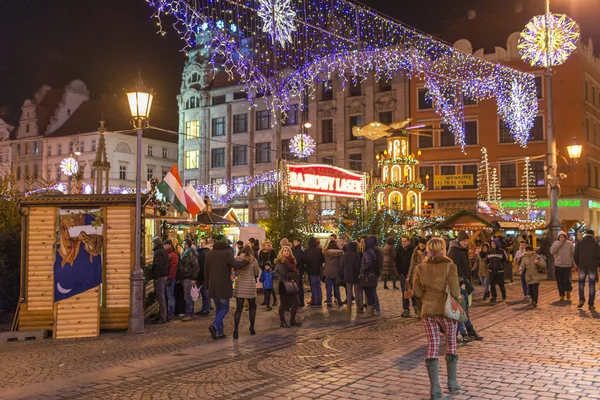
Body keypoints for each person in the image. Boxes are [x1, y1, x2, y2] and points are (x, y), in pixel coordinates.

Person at [413, 237, 462, 400]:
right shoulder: (449, 265)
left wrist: (426, 297)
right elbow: (455, 289)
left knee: (432, 346)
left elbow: (417, 290)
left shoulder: (420, 267)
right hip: (445, 310)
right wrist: (459, 299)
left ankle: (435, 389)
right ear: (443, 248)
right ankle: (452, 382)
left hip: (428, 310)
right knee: (451, 343)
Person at [204, 237, 250, 340]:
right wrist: (247, 261)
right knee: (225, 307)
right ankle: (215, 325)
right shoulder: (227, 253)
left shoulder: (209, 254)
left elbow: (205, 272)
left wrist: (207, 286)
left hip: (213, 287)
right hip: (223, 286)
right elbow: (237, 265)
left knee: (218, 309)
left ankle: (220, 333)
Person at [448, 231, 483, 342]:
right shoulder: (454, 251)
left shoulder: (462, 250)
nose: (466, 243)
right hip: (459, 284)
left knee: (464, 309)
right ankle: (465, 332)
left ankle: (466, 332)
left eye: (467, 241)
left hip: (464, 282)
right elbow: (456, 269)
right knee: (463, 309)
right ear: (459, 240)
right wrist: (464, 282)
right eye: (464, 241)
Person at [232, 245, 261, 339]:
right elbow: (256, 273)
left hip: (240, 285)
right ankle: (252, 328)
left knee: (238, 309)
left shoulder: (238, 259)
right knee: (252, 307)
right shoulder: (253, 260)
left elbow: (235, 271)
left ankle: (235, 330)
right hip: (250, 286)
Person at [275, 246, 302, 328]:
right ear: (282, 252)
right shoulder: (281, 262)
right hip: (283, 284)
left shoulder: (291, 261)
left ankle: (292, 320)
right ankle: (282, 321)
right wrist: (295, 274)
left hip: (291, 284)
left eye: (288, 251)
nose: (287, 252)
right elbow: (283, 274)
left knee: (296, 302)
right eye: (285, 251)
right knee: (283, 303)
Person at [573, 229, 600, 311]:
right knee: (592, 285)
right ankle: (591, 304)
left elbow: (575, 255)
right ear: (593, 235)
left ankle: (581, 300)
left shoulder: (580, 243)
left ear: (586, 235)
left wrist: (578, 264)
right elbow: (599, 256)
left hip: (582, 266)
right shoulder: (596, 245)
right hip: (592, 267)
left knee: (581, 284)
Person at [550, 230, 575, 301]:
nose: (562, 238)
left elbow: (573, 253)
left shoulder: (569, 244)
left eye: (563, 237)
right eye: (560, 237)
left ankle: (568, 290)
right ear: (558, 237)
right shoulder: (556, 243)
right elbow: (552, 252)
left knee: (567, 280)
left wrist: (574, 264)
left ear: (565, 237)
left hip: (567, 265)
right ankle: (561, 294)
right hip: (558, 265)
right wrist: (559, 243)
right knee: (559, 280)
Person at [179, 239, 200, 322]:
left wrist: (193, 278)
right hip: (185, 276)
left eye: (183, 243)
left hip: (189, 277)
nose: (182, 245)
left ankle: (189, 314)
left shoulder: (191, 254)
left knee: (188, 296)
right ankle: (189, 312)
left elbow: (196, 266)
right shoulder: (185, 253)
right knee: (187, 295)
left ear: (186, 244)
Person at [359, 235, 379, 317]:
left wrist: (362, 270)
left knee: (369, 294)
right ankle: (371, 310)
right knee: (370, 293)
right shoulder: (372, 252)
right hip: (371, 276)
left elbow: (369, 264)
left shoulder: (368, 252)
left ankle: (369, 312)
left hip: (367, 277)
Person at [151, 237, 170, 325]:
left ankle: (163, 317)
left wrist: (155, 276)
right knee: (162, 296)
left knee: (160, 297)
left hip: (160, 277)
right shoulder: (164, 251)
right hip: (164, 275)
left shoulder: (158, 252)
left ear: (155, 244)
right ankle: (163, 315)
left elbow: (159, 266)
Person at [408, 238, 427, 317]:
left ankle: (424, 311)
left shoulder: (427, 252)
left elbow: (425, 263)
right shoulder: (415, 253)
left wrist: (422, 255)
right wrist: (408, 276)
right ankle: (419, 311)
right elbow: (411, 265)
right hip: (416, 275)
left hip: (425, 275)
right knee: (417, 293)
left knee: (425, 294)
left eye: (423, 244)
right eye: (420, 243)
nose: (421, 245)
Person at [343, 241, 363, 314]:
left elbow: (343, 265)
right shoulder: (356, 255)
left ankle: (349, 309)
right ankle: (358, 308)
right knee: (357, 292)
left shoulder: (345, 255)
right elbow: (358, 266)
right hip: (355, 275)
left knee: (349, 293)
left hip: (347, 275)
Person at [396, 236, 415, 317]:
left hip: (412, 274)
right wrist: (400, 273)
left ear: (409, 241)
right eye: (402, 241)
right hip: (403, 274)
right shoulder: (399, 250)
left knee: (414, 291)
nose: (404, 243)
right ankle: (406, 309)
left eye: (405, 241)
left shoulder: (413, 250)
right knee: (405, 292)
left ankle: (416, 308)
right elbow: (397, 262)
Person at [323, 240, 344, 308]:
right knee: (336, 287)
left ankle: (329, 302)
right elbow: (340, 263)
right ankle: (339, 300)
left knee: (328, 288)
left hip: (327, 272)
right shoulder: (339, 253)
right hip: (336, 272)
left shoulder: (326, 253)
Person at [486, 239, 508, 303]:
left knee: (501, 284)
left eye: (494, 244)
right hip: (491, 271)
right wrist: (488, 265)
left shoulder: (502, 251)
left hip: (499, 271)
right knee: (492, 285)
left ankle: (503, 294)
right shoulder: (489, 252)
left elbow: (506, 260)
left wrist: (501, 265)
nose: (493, 245)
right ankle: (493, 297)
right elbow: (486, 260)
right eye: (492, 244)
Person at [305, 237, 324, 307]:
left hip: (310, 271)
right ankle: (319, 301)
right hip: (318, 271)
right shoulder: (319, 250)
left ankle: (315, 302)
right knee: (318, 286)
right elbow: (323, 260)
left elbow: (305, 261)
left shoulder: (307, 251)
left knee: (313, 287)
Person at [163, 240, 179, 322]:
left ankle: (171, 314)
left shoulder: (172, 255)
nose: (163, 246)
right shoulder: (169, 254)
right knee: (168, 296)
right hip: (169, 277)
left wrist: (170, 277)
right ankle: (168, 313)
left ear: (169, 245)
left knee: (170, 296)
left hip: (170, 278)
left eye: (164, 244)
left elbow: (173, 267)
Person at [196, 237, 213, 316]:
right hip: (202, 275)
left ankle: (206, 309)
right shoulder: (202, 252)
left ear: (206, 243)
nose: (201, 244)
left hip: (204, 275)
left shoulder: (206, 252)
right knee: (204, 293)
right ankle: (205, 308)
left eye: (202, 242)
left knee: (205, 293)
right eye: (200, 242)